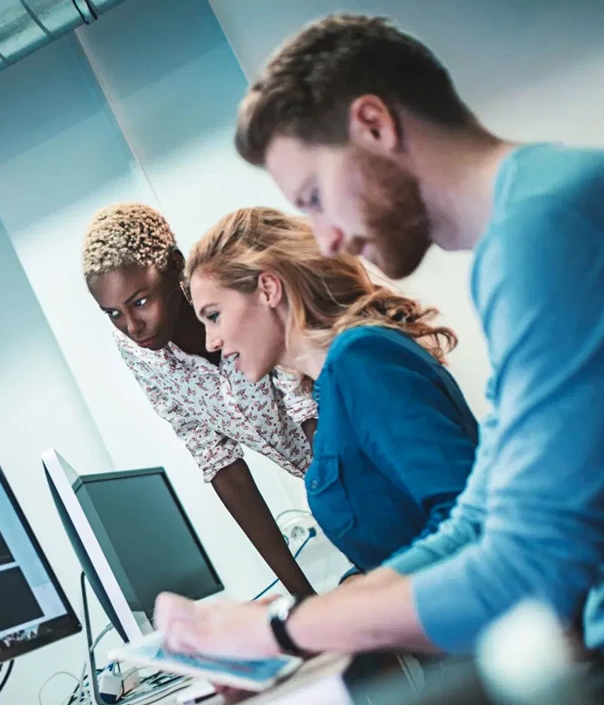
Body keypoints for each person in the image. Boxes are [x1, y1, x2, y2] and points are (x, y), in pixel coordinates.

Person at [154, 13, 604, 662]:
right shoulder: (527, 228)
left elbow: (527, 563)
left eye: (315, 195)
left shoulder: (545, 229)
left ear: (374, 125)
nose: (326, 237)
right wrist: (302, 617)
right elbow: (477, 518)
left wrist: (281, 632)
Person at [185, 206, 477, 586]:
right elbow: (395, 539)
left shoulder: (360, 358)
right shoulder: (329, 391)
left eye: (214, 315)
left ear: (268, 289)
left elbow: (465, 519)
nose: (211, 341)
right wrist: (353, 585)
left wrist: (341, 608)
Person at [82, 202, 318, 597]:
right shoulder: (138, 352)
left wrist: (353, 518)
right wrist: (302, 596)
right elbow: (215, 457)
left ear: (176, 266)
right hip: (333, 490)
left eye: (140, 301)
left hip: (365, 457)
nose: (132, 326)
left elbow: (307, 403)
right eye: (113, 314)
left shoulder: (237, 295)